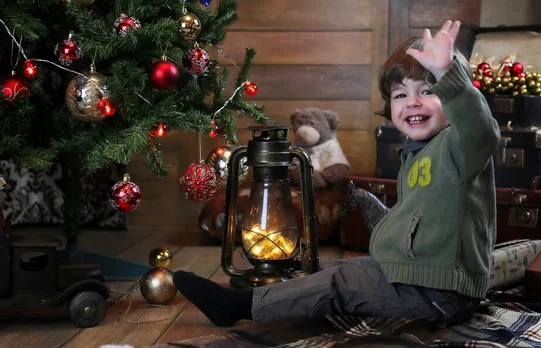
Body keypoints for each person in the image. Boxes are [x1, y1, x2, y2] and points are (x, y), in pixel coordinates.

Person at [173, 20, 501, 328]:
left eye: (429, 91)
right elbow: (414, 228)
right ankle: (267, 300)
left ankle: (237, 308)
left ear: (453, 96)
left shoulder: (460, 146)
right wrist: (372, 207)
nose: (412, 102)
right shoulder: (418, 155)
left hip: (442, 296)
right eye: (401, 94)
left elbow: (481, 129)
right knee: (351, 269)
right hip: (422, 280)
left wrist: (447, 74)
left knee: (340, 283)